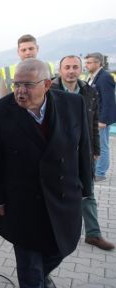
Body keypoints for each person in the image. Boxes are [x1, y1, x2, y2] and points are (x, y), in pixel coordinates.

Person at [0, 59, 92, 288]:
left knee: (63, 246)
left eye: (28, 85)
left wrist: (86, 188)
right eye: (17, 84)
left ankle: (41, 276)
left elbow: (84, 147)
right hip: (22, 200)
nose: (20, 91)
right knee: (29, 266)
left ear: (46, 84)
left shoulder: (73, 103)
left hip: (63, 194)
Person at [51, 55, 114, 250]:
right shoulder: (50, 91)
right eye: (67, 67)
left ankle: (93, 234)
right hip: (57, 153)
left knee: (88, 191)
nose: (71, 71)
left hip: (83, 151)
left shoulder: (89, 91)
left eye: (75, 67)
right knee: (57, 193)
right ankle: (58, 233)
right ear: (60, 70)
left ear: (81, 70)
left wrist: (95, 149)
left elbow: (93, 123)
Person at [85, 52, 116, 182]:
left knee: (102, 145)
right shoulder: (92, 77)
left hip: (101, 119)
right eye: (86, 62)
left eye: (89, 62)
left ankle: (100, 172)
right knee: (95, 144)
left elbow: (109, 100)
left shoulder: (105, 77)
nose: (86, 65)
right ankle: (96, 169)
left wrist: (103, 120)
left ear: (98, 63)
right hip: (93, 118)